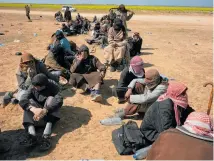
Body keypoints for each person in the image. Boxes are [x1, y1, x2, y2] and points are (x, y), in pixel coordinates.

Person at [138, 81, 194, 148]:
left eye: (185, 93)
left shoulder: (176, 100)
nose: (185, 95)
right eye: (183, 93)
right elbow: (166, 131)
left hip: (167, 128)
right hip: (151, 134)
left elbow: (189, 111)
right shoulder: (164, 108)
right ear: (175, 94)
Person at [19, 74, 63, 151]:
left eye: (38, 87)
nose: (36, 88)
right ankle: (32, 135)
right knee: (28, 102)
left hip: (49, 109)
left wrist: (45, 110)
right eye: (35, 86)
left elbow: (59, 100)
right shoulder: (33, 86)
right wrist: (32, 109)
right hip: (36, 109)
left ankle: (46, 135)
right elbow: (23, 98)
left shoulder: (53, 85)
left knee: (51, 99)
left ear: (44, 85)